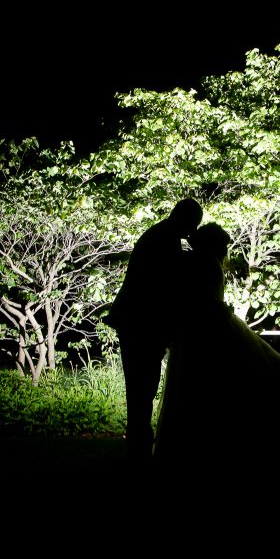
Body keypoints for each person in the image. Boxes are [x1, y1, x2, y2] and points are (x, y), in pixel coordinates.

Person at [153, 222, 280, 472]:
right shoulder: (207, 264)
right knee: (259, 377)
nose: (225, 251)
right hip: (215, 328)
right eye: (223, 246)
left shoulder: (193, 262)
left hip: (201, 331)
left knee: (198, 390)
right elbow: (205, 301)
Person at [104, 198, 204, 464]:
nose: (193, 231)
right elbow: (165, 288)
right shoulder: (164, 240)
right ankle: (138, 450)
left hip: (137, 323)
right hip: (140, 325)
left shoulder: (162, 236)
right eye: (193, 224)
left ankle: (139, 448)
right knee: (142, 387)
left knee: (142, 388)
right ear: (184, 219)